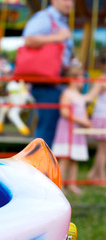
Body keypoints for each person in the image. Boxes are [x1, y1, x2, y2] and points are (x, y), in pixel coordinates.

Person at [22, 0, 74, 147]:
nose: (69, 3)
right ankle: (39, 169)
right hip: (46, 82)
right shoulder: (45, 17)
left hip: (57, 81)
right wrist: (58, 38)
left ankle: (44, 167)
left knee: (50, 130)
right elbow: (28, 39)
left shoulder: (61, 21)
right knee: (46, 131)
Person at [51, 64, 91, 194]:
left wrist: (86, 122)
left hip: (77, 131)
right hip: (67, 130)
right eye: (81, 78)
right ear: (73, 79)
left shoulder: (79, 95)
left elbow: (83, 111)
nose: (83, 81)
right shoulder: (67, 94)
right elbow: (64, 112)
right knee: (65, 158)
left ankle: (72, 184)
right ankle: (59, 184)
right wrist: (81, 120)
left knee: (75, 158)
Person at [86, 52, 106, 181]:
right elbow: (89, 97)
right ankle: (100, 177)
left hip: (102, 116)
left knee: (102, 149)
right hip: (102, 117)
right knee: (103, 149)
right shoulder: (101, 79)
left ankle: (94, 174)